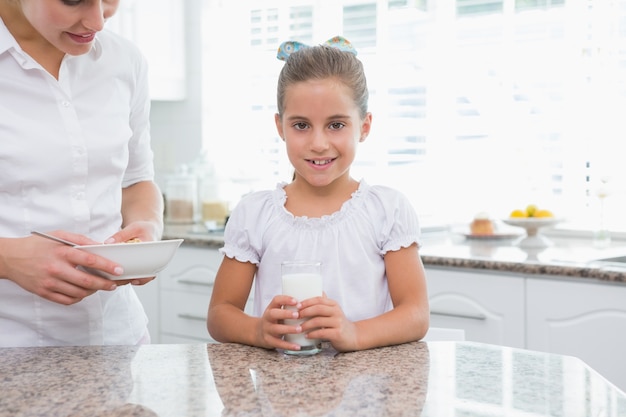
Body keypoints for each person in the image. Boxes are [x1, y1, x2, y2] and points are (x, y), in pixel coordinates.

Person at [207, 36, 430, 353]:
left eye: (336, 125)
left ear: (364, 127)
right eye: (301, 125)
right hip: (282, 392)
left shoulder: (387, 210)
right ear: (280, 126)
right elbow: (220, 315)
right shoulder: (254, 214)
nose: (318, 143)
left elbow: (416, 315)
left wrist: (353, 333)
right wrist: (257, 330)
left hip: (365, 391)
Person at [0, 0, 164, 347]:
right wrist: (7, 260)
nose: (98, 20)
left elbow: (136, 181)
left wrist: (147, 229)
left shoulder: (125, 61)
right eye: (75, 0)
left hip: (119, 339)